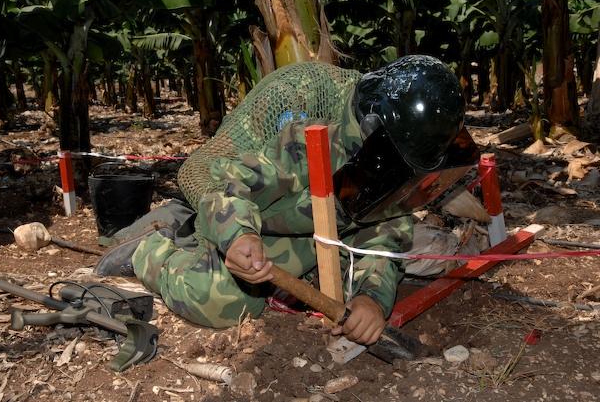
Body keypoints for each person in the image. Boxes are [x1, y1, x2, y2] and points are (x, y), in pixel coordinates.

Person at [95, 55, 479, 345]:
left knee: (389, 272)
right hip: (258, 217)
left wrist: (372, 300)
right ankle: (153, 250)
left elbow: (386, 231)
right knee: (220, 300)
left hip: (321, 232)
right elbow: (223, 180)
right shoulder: (301, 130)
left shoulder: (390, 165)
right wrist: (238, 237)